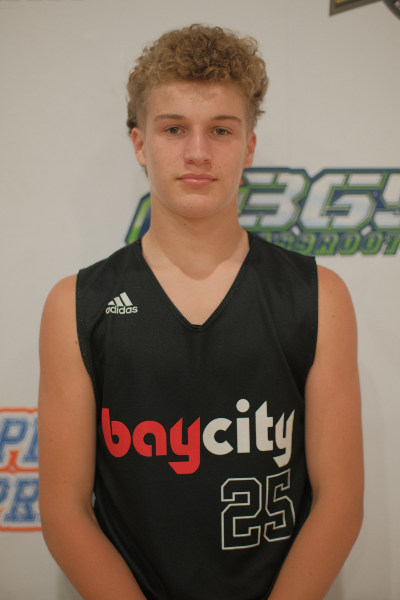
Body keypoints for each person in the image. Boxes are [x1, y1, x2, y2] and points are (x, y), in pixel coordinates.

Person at [38, 24, 364, 600]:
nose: (197, 152)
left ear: (249, 147)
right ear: (140, 144)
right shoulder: (76, 304)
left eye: (220, 130)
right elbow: (65, 514)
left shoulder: (318, 296)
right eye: (173, 129)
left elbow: (339, 503)